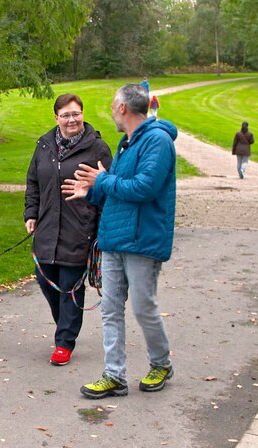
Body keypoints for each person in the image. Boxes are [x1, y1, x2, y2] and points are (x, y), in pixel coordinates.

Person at [61, 84, 178, 399]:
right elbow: (118, 189)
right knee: (110, 309)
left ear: (123, 107)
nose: (112, 110)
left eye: (114, 105)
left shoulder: (157, 141)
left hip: (142, 240)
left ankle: (161, 364)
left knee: (143, 307)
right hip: (114, 239)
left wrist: (102, 180)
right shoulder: (127, 143)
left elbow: (144, 188)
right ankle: (114, 375)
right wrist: (93, 191)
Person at [24, 93, 113, 366]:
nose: (72, 119)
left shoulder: (97, 149)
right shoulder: (44, 145)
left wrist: (101, 227)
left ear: (82, 114)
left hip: (79, 228)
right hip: (47, 227)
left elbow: (108, 189)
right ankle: (64, 323)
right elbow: (33, 182)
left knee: (70, 286)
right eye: (66, 115)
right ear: (56, 118)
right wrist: (31, 213)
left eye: (76, 113)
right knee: (45, 280)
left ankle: (64, 342)